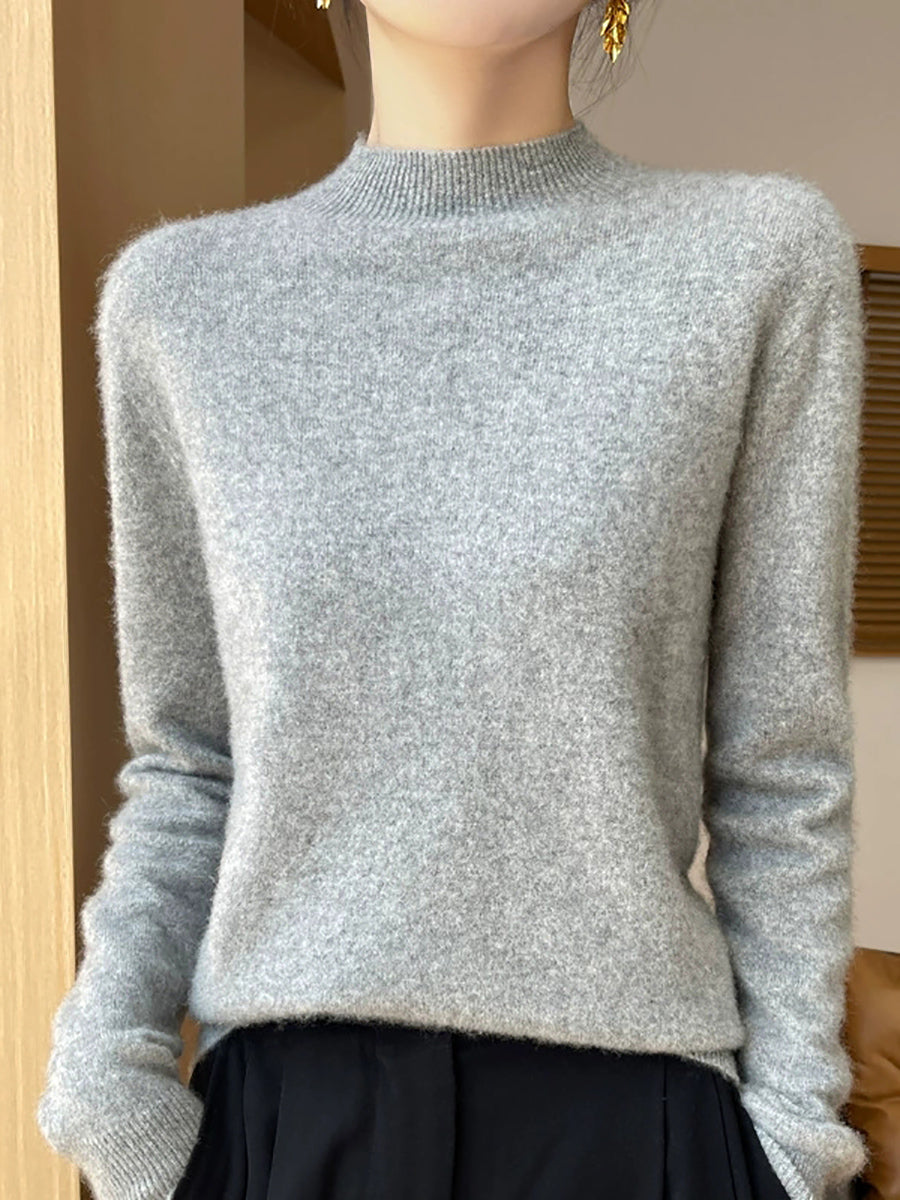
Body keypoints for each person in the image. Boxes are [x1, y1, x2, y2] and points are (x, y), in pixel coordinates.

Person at [36, 2, 870, 1198]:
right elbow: (189, 761)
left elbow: (780, 763)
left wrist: (789, 1150)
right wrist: (107, 1089)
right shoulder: (181, 302)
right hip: (287, 1130)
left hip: (643, 1132)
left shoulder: (754, 262)